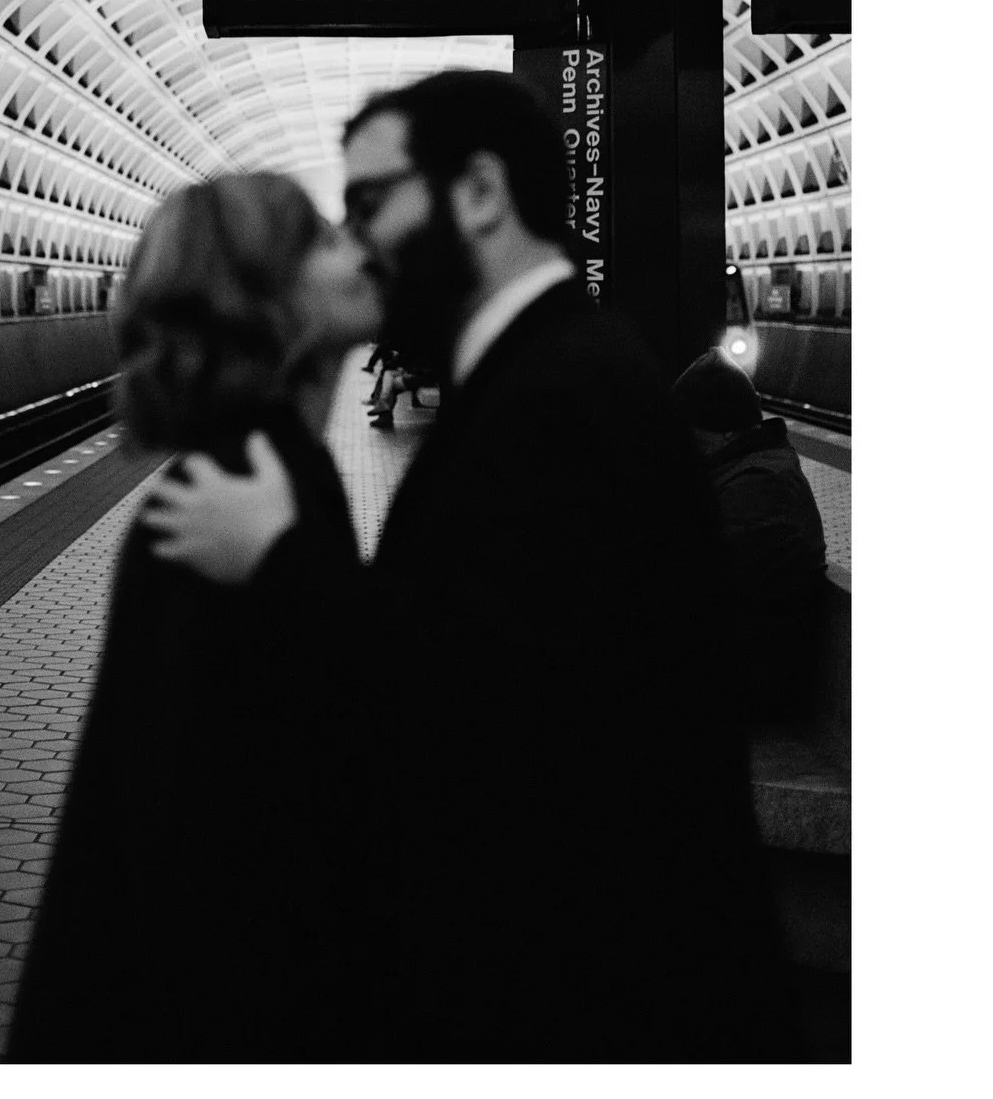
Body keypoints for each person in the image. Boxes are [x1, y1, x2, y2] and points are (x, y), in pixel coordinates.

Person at [146, 71, 803, 1062]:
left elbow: (501, 703)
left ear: (480, 193)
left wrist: (282, 560)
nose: (359, 236)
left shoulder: (559, 395)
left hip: (602, 1002)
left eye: (371, 202)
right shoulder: (550, 371)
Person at [3, 172, 382, 1064]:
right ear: (262, 296)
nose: (360, 251)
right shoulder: (221, 497)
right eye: (326, 240)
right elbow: (185, 830)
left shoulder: (270, 476)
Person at [671, 349, 829, 721]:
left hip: (748, 686)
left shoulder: (760, 488)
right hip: (735, 671)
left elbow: (689, 585)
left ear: (724, 434)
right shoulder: (747, 472)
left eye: (689, 437)